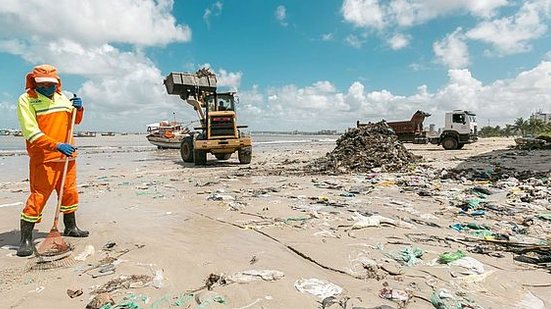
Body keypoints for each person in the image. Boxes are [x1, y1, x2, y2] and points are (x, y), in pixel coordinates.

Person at [16, 64, 89, 257]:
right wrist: (55, 145)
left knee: (69, 193)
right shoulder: (27, 100)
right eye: (43, 84)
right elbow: (31, 132)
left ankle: (70, 227)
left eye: (51, 84)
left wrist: (79, 109)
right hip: (44, 157)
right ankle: (25, 239)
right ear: (34, 82)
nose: (47, 87)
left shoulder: (63, 97)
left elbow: (74, 122)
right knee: (38, 196)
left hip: (67, 156)